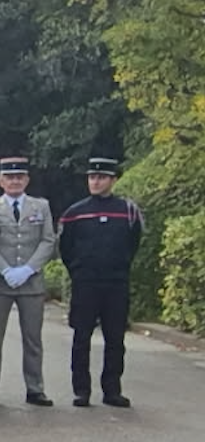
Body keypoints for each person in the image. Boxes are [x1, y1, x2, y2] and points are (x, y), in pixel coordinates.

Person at [59, 157, 144, 408]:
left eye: (101, 177)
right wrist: (78, 270)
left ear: (113, 180)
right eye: (92, 177)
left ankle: (112, 389)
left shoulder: (127, 211)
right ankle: (81, 390)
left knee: (115, 339)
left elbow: (133, 243)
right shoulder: (75, 213)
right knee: (81, 337)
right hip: (86, 283)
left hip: (116, 283)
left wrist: (119, 267)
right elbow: (66, 248)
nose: (95, 181)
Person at [0, 154, 57, 407]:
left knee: (33, 339)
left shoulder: (40, 206)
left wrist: (28, 268)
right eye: (9, 177)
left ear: (27, 180)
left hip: (31, 283)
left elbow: (48, 240)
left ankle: (35, 388)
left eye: (19, 177)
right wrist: (4, 269)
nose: (14, 181)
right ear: (0, 180)